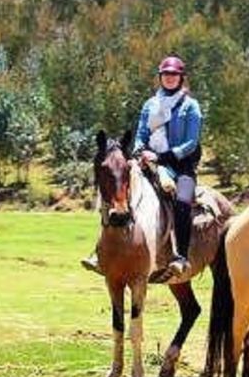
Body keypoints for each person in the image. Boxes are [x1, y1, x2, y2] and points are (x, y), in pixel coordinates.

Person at [81, 55, 203, 281]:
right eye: (165, 75)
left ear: (181, 78)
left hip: (180, 166)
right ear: (160, 77)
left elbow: (191, 143)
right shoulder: (150, 105)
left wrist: (162, 156)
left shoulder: (190, 106)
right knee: (116, 191)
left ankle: (180, 256)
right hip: (148, 161)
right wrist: (139, 152)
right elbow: (141, 135)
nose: (169, 78)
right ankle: (100, 252)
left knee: (183, 203)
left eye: (174, 75)